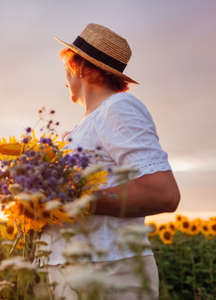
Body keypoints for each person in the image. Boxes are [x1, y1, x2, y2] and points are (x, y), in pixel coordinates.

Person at [40, 23, 181, 299]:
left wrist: (72, 200)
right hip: (77, 269)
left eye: (66, 67)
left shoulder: (118, 108)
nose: (64, 78)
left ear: (80, 67)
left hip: (108, 271)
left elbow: (163, 192)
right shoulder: (83, 126)